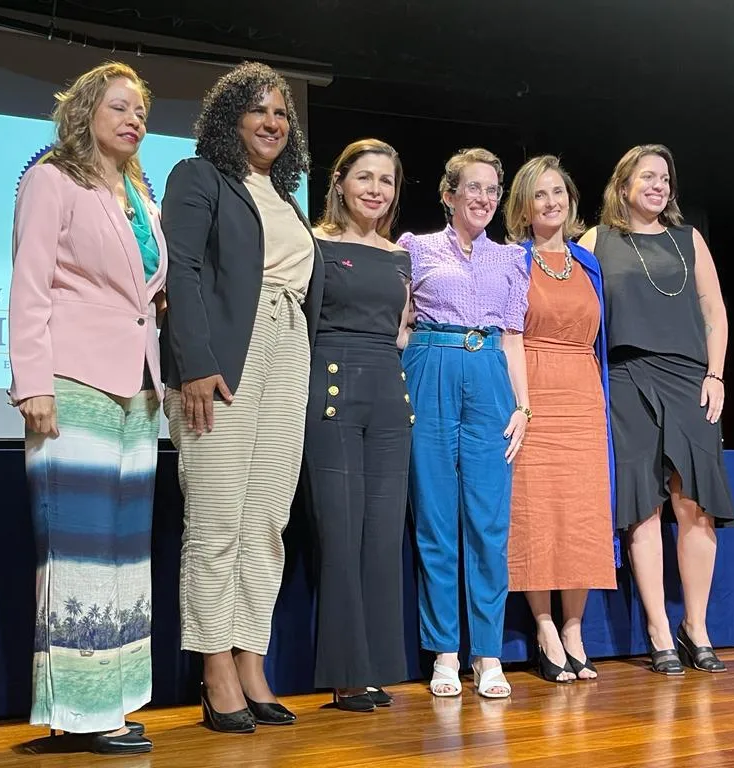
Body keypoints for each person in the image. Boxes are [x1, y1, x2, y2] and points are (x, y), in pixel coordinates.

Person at [8, 61, 167, 755]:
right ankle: (79, 709)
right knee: (76, 550)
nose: (133, 119)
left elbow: (146, 294)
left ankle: (116, 699)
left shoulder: (140, 194)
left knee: (124, 552)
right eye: (119, 107)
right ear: (84, 114)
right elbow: (30, 285)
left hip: (139, 387)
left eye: (140, 110)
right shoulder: (53, 179)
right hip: (72, 381)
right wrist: (31, 381)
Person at [159, 61, 322, 732]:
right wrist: (194, 364)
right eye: (259, 110)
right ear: (230, 119)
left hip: (289, 347)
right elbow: (183, 270)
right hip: (226, 355)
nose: (273, 122)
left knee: (266, 522)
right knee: (219, 519)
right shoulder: (200, 177)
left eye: (282, 113)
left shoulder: (286, 197)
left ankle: (251, 657)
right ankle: (215, 667)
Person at [579, 144, 734, 676]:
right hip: (625, 378)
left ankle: (697, 626)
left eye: (665, 178)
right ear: (622, 185)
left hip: (689, 379)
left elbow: (714, 310)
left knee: (694, 504)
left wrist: (715, 373)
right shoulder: (597, 240)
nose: (658, 186)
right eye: (648, 177)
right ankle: (658, 631)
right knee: (643, 505)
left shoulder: (689, 239)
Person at [398, 147, 530, 699]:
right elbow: (400, 324)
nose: (484, 199)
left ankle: (489, 654)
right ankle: (446, 653)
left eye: (492, 190)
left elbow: (515, 337)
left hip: (489, 376)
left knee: (487, 522)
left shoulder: (511, 259)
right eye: (473, 188)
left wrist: (523, 407)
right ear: (449, 194)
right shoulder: (415, 247)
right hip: (430, 366)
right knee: (434, 518)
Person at [303, 139, 413, 712]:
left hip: (389, 396)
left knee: (382, 535)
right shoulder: (315, 244)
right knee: (341, 533)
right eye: (365, 177)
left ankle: (377, 668)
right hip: (333, 390)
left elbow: (400, 330)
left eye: (386, 181)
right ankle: (346, 674)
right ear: (340, 182)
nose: (375, 189)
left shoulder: (399, 256)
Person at [502, 155, 618, 682]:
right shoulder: (512, 261)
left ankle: (575, 628)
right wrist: (518, 403)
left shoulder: (587, 263)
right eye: (540, 195)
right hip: (533, 390)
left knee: (581, 513)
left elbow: (602, 339)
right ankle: (545, 627)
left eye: (559, 193)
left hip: (584, 393)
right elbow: (508, 336)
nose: (552, 203)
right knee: (535, 511)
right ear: (524, 207)